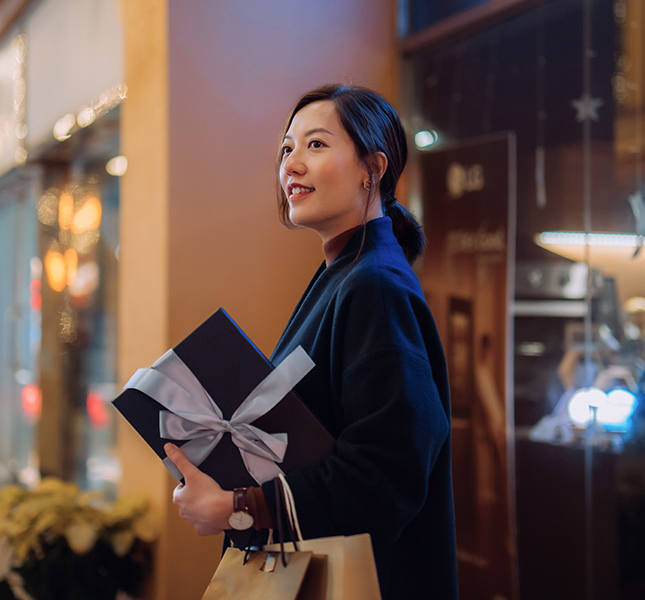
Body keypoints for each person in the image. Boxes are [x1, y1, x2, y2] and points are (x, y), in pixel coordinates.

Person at [164, 84, 458, 599]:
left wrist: (238, 505)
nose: (292, 165)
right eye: (286, 149)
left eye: (316, 145)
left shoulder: (374, 286)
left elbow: (385, 474)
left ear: (373, 167)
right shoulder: (346, 275)